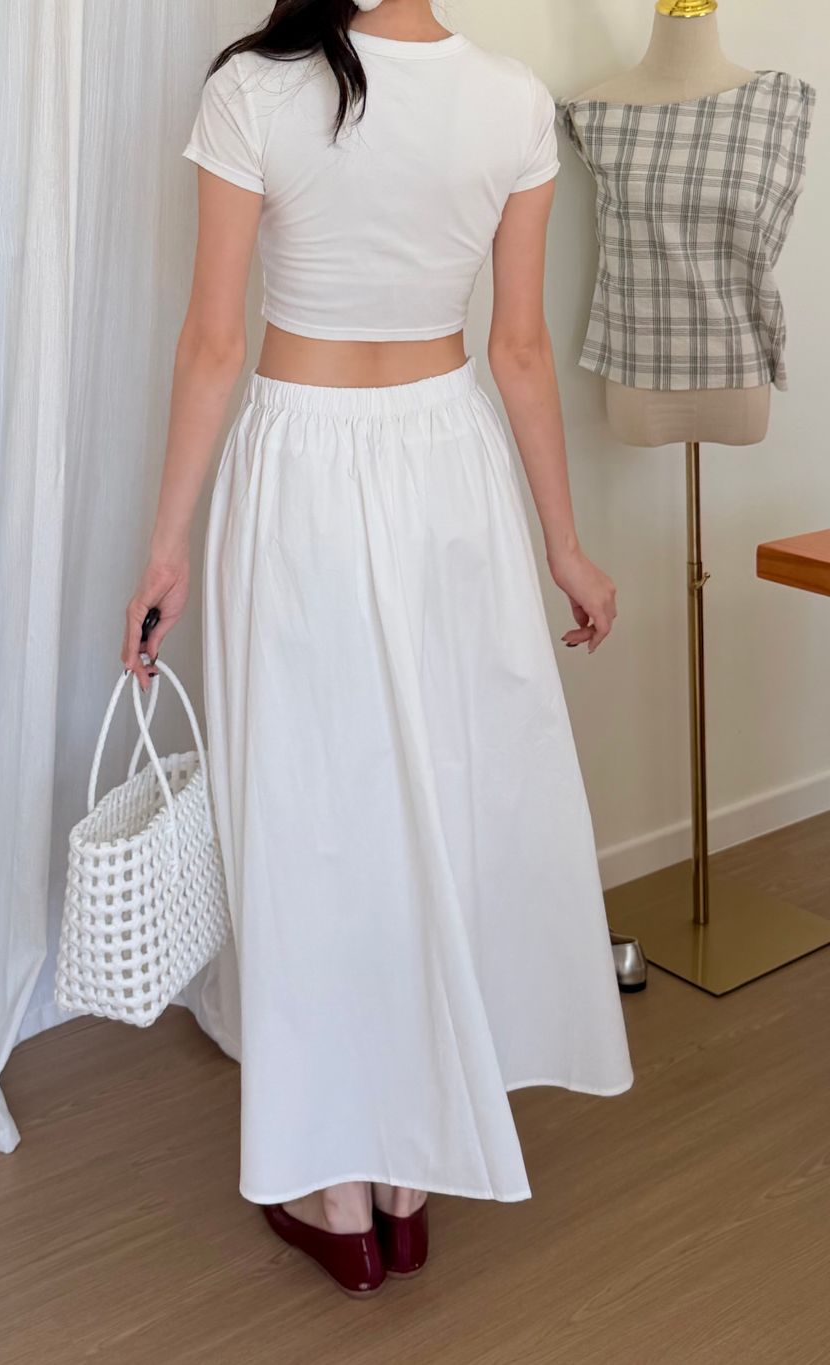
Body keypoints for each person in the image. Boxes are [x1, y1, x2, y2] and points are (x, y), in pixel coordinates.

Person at [122, 0, 634, 1299]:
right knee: (441, 798)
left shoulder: (254, 89)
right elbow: (520, 351)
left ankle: (335, 1188)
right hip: (450, 463)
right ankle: (408, 1180)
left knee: (314, 812)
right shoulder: (511, 99)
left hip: (299, 462)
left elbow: (215, 342)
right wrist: (566, 548)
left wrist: (166, 548)